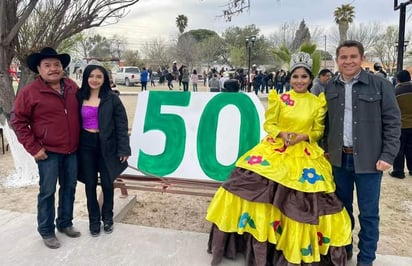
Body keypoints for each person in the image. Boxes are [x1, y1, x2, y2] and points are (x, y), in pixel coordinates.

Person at [206, 52, 351, 266]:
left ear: (310, 79)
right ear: (289, 78)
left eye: (304, 77)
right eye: (295, 77)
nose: (299, 81)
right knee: (243, 187)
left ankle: (294, 246)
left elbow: (319, 131)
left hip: (304, 153)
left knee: (303, 199)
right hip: (276, 149)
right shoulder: (280, 99)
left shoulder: (317, 103)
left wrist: (304, 136)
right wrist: (281, 134)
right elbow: (270, 125)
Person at [324, 40, 401, 266]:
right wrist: (326, 149)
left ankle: (366, 259)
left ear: (361, 58)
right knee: (341, 209)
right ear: (337, 60)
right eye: (343, 57)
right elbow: (324, 123)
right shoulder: (330, 87)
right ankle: (344, 248)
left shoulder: (380, 85)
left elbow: (393, 122)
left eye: (353, 57)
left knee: (368, 214)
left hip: (370, 161)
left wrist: (388, 155)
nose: (348, 61)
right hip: (339, 160)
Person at [10, 47, 81, 249]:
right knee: (48, 192)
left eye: (56, 65)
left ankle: (65, 223)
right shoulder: (29, 92)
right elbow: (18, 122)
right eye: (47, 65)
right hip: (47, 153)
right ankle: (46, 230)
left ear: (62, 67)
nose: (53, 69)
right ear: (39, 70)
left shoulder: (71, 86)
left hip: (72, 150)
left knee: (69, 188)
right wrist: (34, 148)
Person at [76, 63, 131, 236]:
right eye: (91, 76)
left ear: (105, 79)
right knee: (90, 184)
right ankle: (94, 221)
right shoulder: (78, 97)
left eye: (99, 77)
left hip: (108, 146)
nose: (95, 80)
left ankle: (108, 218)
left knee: (108, 184)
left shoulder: (112, 98)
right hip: (85, 145)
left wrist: (123, 149)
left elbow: (121, 125)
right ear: (86, 78)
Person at [390, 70, 412, 179]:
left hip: (400, 125)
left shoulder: (396, 92)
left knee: (399, 148)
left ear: (398, 79)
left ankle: (398, 171)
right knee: (411, 148)